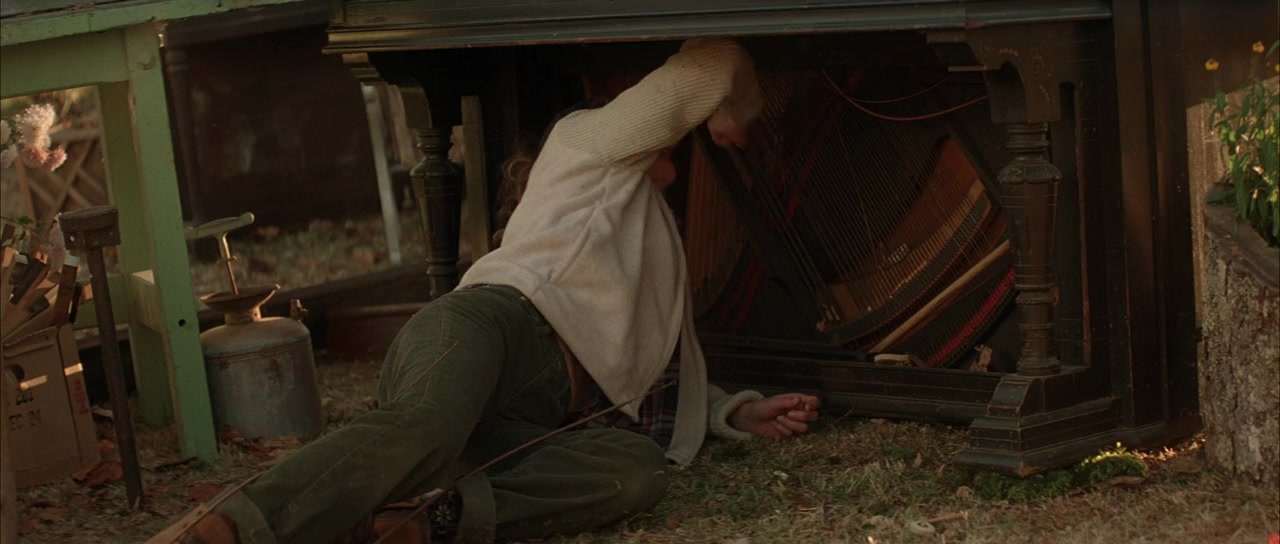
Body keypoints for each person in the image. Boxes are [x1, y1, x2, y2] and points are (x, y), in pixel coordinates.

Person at [171, 37, 820, 544]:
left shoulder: (648, 243)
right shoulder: (581, 146)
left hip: (532, 417)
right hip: (493, 329)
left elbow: (649, 372)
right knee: (428, 425)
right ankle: (234, 529)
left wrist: (731, 412)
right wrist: (733, 112)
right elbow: (714, 61)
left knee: (638, 468)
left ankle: (419, 522)